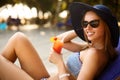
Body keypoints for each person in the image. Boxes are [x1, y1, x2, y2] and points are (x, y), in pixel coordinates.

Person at [0, 2, 119, 80]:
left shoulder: (95, 54)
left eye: (94, 23)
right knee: (19, 38)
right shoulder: (91, 48)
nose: (88, 27)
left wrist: (59, 63)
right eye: (85, 23)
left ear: (106, 26)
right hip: (47, 78)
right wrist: (83, 30)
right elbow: (61, 40)